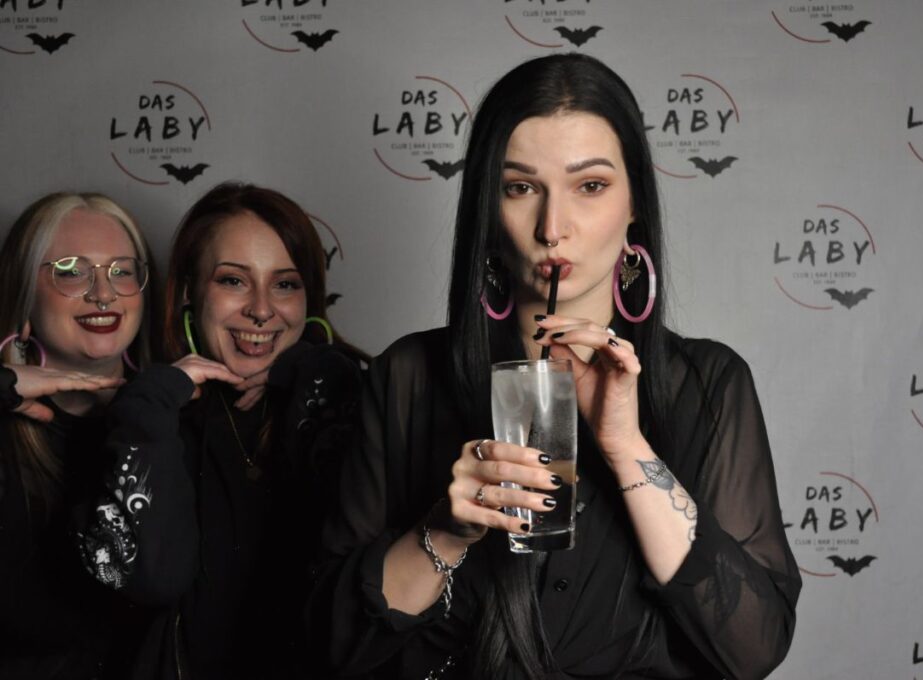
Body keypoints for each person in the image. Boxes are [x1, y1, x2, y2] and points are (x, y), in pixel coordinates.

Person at [310, 53, 801, 679]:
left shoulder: (707, 384)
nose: (552, 227)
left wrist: (626, 447)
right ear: (488, 208)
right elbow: (335, 642)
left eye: (590, 186)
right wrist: (446, 531)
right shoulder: (409, 376)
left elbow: (754, 647)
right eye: (520, 188)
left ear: (635, 204)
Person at [89, 183, 366, 679]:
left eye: (285, 284)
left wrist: (314, 369)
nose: (261, 309)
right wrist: (153, 400)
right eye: (233, 280)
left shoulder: (345, 397)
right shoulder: (156, 420)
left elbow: (352, 566)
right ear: (190, 290)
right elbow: (151, 576)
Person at [0, 192, 155, 679]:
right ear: (23, 294)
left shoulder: (179, 419)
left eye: (122, 271)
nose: (104, 294)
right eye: (70, 270)